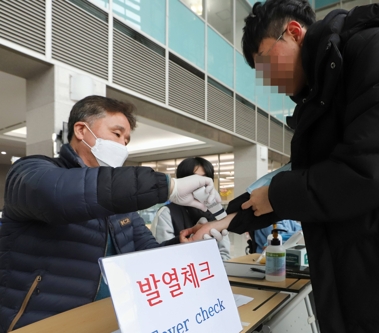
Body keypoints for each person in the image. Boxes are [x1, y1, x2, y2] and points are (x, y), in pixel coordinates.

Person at [185, 0, 379, 331]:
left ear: (293, 32)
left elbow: (369, 170)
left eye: (266, 64)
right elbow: (310, 182)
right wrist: (220, 222)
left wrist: (277, 195)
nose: (268, 81)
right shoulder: (323, 94)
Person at [0, 96, 221, 332]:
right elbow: (57, 193)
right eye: (117, 134)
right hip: (40, 321)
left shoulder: (121, 205)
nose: (122, 146)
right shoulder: (30, 171)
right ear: (82, 130)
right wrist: (168, 186)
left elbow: (147, 254)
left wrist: (183, 244)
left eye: (126, 140)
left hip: (109, 319)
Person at [151, 157, 231, 260]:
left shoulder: (215, 211)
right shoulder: (167, 212)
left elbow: (224, 254)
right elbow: (162, 254)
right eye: (194, 179)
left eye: (204, 179)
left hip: (210, 271)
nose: (200, 184)